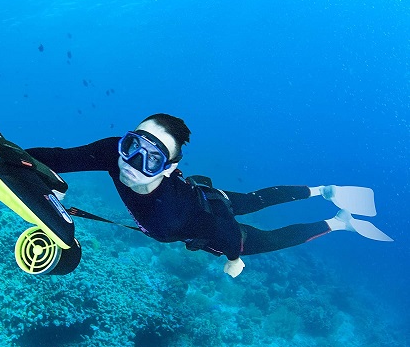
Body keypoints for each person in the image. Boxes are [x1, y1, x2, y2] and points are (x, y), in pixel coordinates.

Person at [26, 114, 393, 278]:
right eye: (133, 145)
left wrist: (234, 259)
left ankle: (339, 220)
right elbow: (61, 156)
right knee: (253, 198)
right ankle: (323, 190)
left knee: (265, 240)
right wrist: (8, 154)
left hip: (207, 219)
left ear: (168, 168)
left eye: (152, 159)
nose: (132, 163)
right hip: (205, 193)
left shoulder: (171, 217)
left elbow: (230, 236)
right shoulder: (113, 153)